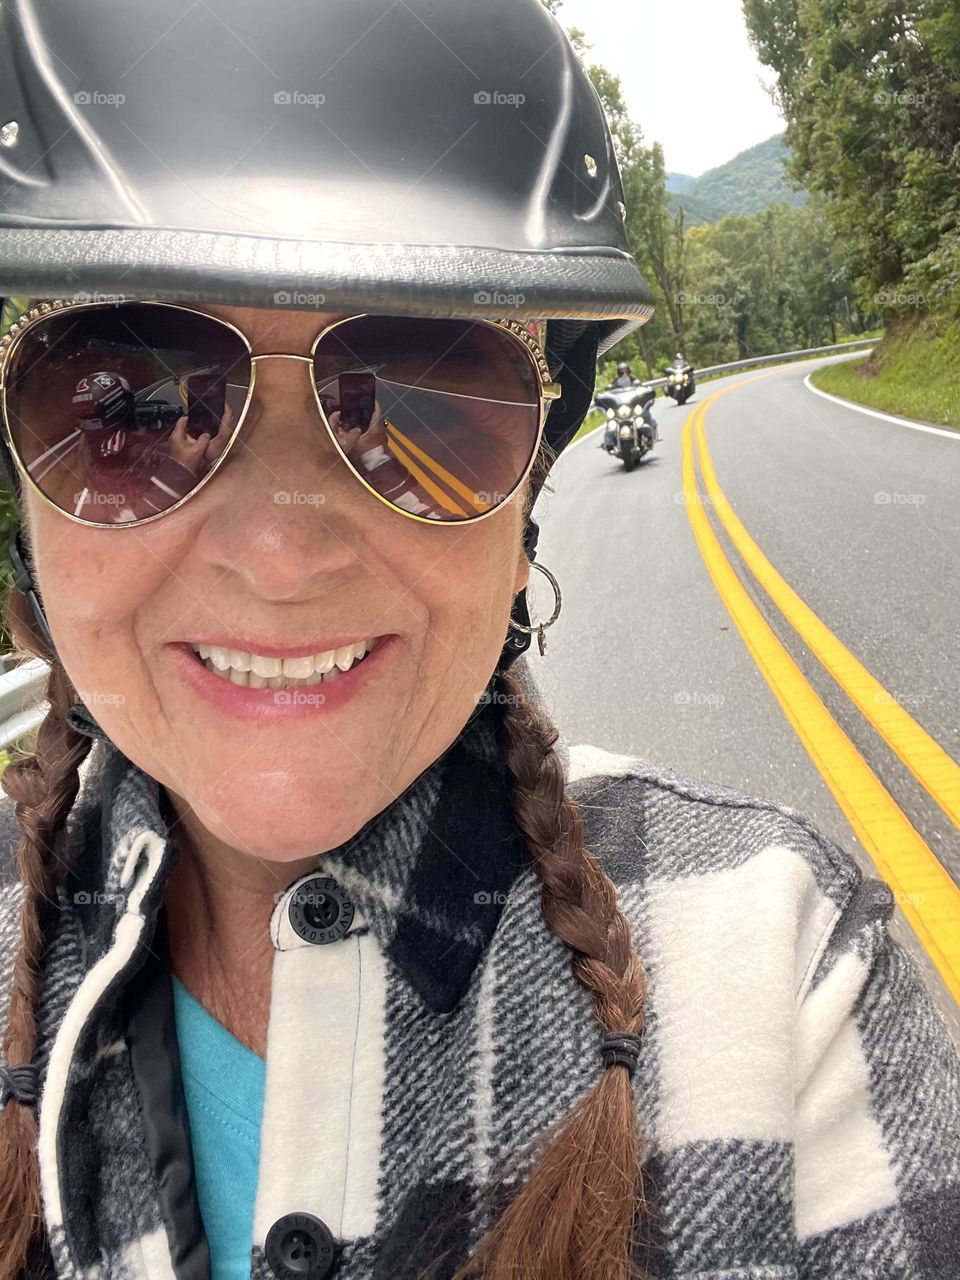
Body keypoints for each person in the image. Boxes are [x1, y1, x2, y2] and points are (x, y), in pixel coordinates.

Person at [0, 4, 957, 1280]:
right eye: (127, 407)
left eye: (424, 403)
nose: (282, 554)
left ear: (529, 499)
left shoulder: (775, 969)